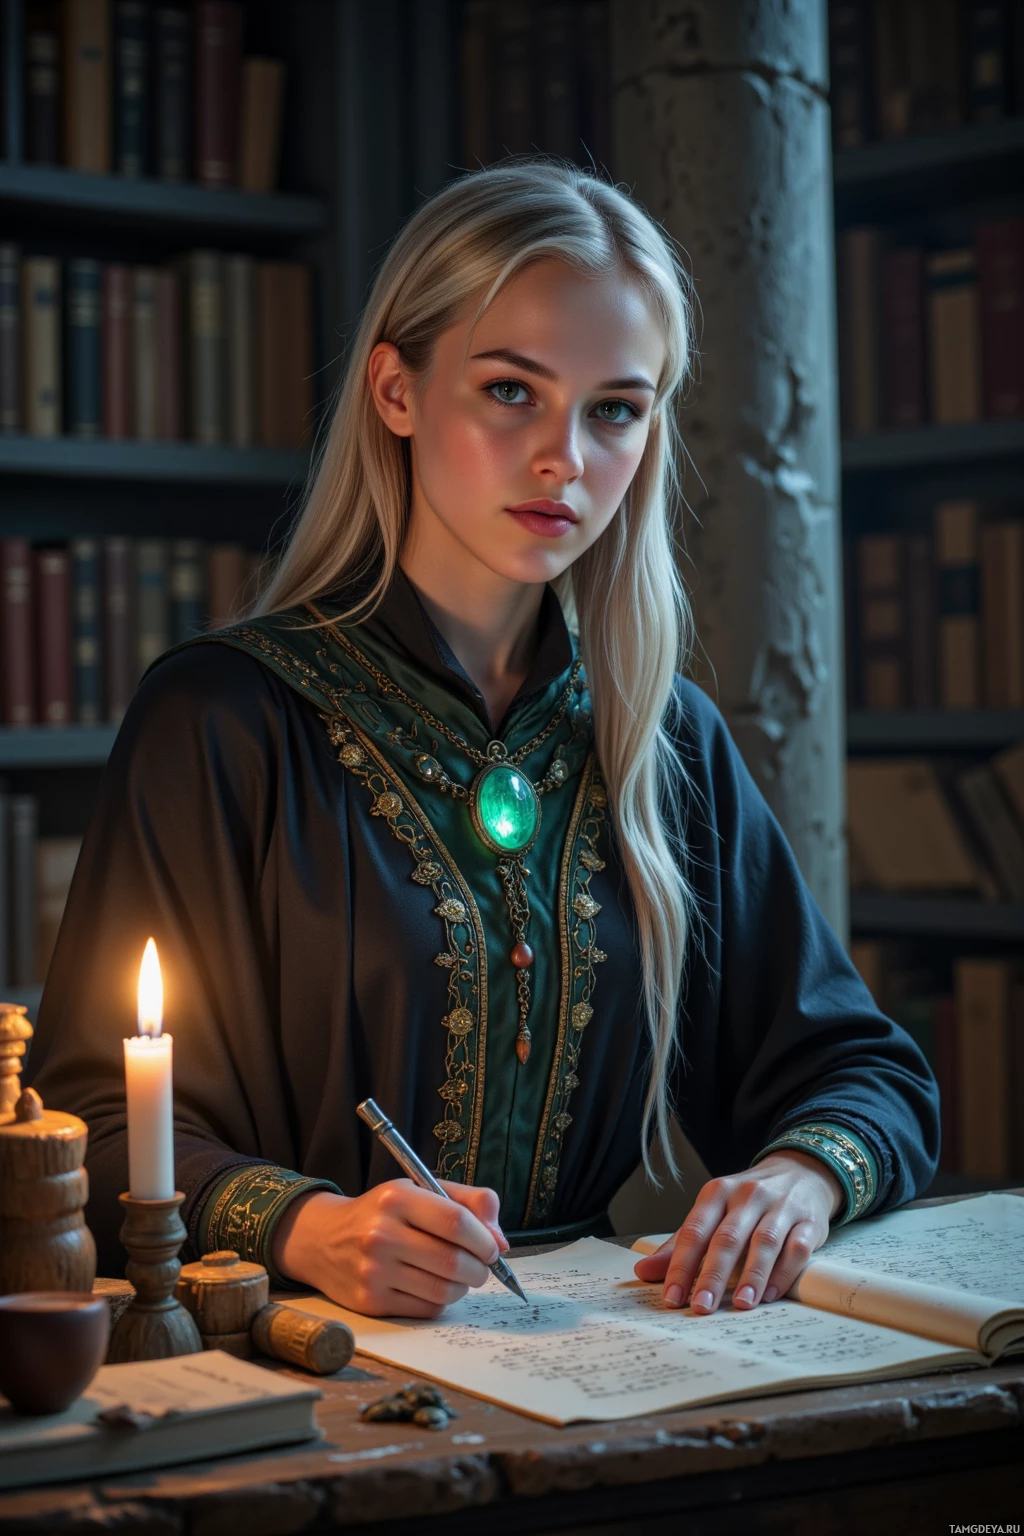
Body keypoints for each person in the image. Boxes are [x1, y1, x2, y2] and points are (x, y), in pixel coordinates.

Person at [29, 159, 939, 1321]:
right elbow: (89, 1123)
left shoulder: (659, 744)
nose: (565, 456)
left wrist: (799, 1179)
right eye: (511, 391)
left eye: (614, 408)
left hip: (595, 1351)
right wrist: (310, 1228)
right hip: (289, 1357)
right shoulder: (222, 718)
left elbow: (870, 1072)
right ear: (396, 391)